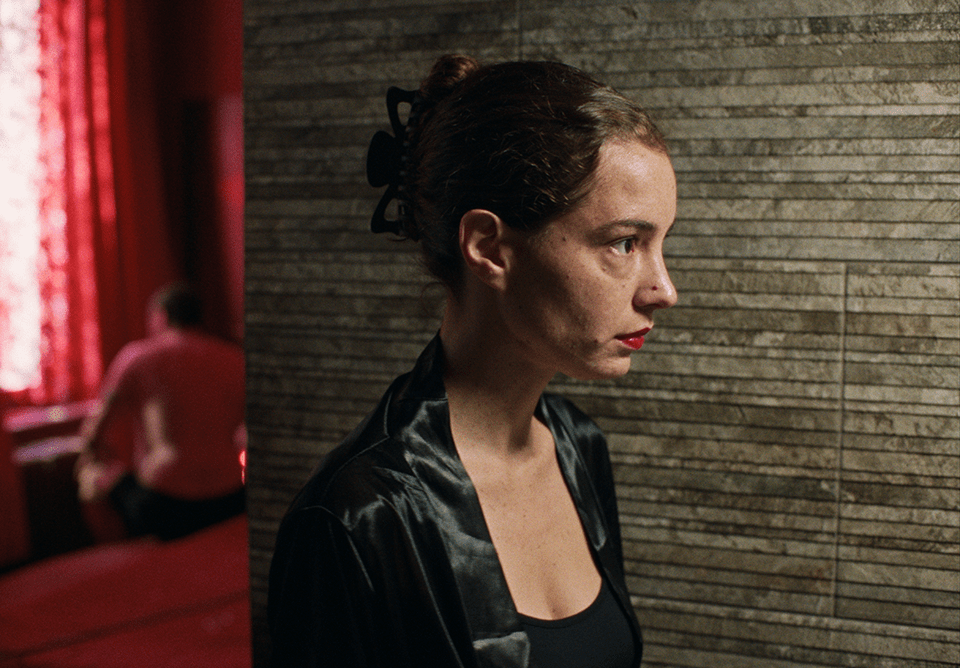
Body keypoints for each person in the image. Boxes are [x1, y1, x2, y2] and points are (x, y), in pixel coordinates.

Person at [268, 54, 677, 668]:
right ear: (489, 247)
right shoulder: (355, 517)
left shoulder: (578, 445)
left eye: (661, 244)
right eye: (625, 243)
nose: (664, 290)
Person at [75, 283, 246, 541]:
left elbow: (93, 434)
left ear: (161, 315)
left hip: (164, 504)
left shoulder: (137, 357)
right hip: (230, 498)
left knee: (90, 472)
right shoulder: (234, 358)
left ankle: (108, 554)